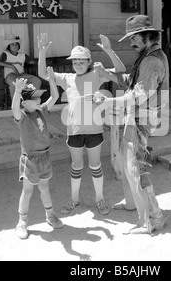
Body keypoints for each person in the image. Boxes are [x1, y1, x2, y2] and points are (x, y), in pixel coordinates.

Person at [93, 15, 168, 235]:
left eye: (134, 37)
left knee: (136, 168)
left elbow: (138, 95)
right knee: (131, 167)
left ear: (147, 36)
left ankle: (154, 219)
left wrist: (108, 101)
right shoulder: (148, 56)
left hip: (141, 117)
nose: (131, 42)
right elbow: (133, 81)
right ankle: (143, 210)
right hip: (138, 116)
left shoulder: (152, 60)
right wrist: (109, 74)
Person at [38, 34, 126, 216]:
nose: (77, 64)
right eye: (75, 61)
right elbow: (42, 74)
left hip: (94, 129)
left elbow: (120, 70)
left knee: (95, 165)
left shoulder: (97, 73)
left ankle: (100, 199)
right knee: (76, 166)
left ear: (89, 62)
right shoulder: (67, 78)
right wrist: (42, 50)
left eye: (81, 61)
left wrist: (109, 51)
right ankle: (74, 199)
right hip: (74, 130)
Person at [11, 37, 63, 239]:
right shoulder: (22, 117)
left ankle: (50, 215)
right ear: (25, 103)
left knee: (44, 188)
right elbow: (15, 107)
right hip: (30, 159)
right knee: (28, 190)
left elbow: (55, 97)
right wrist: (17, 91)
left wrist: (51, 81)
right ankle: (22, 221)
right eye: (34, 98)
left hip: (45, 157)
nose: (38, 99)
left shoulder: (41, 110)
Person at [0, 34, 42, 99]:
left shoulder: (22, 55)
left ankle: (34, 101)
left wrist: (41, 55)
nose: (15, 46)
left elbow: (32, 62)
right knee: (14, 84)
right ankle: (16, 105)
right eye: (12, 44)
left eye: (16, 44)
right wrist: (12, 66)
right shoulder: (5, 54)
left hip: (22, 75)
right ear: (9, 46)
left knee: (37, 81)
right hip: (10, 76)